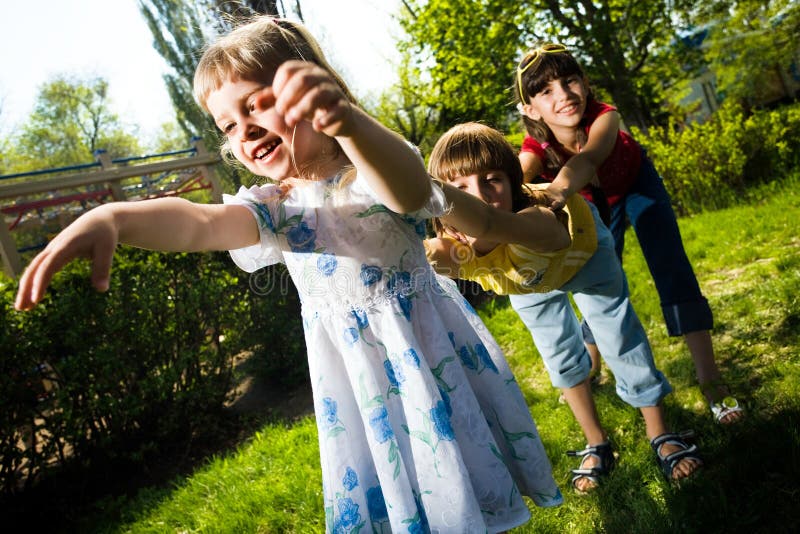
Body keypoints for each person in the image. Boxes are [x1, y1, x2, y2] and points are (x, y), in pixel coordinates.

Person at [14, 17, 564, 533]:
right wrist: (114, 216)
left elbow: (411, 190)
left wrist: (347, 120)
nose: (244, 129)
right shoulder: (273, 210)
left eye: (257, 104)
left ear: (315, 90)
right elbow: (200, 225)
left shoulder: (371, 172)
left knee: (457, 476)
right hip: (361, 390)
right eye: (227, 124)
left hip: (429, 360)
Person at [424, 122, 703, 491]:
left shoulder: (536, 215)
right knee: (558, 352)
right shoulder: (449, 239)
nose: (478, 195)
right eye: (459, 188)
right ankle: (596, 441)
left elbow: (516, 228)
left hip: (584, 257)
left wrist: (476, 237)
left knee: (617, 335)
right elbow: (423, 256)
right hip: (528, 283)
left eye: (491, 179)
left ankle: (659, 431)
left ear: (512, 182)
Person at [514, 43, 743, 425]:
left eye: (570, 81)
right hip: (589, 207)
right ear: (529, 108)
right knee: (599, 282)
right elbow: (519, 172)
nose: (564, 94)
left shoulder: (605, 116)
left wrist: (556, 189)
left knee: (672, 267)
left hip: (637, 186)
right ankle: (593, 363)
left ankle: (710, 379)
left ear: (585, 83)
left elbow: (588, 158)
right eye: (546, 90)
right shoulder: (535, 146)